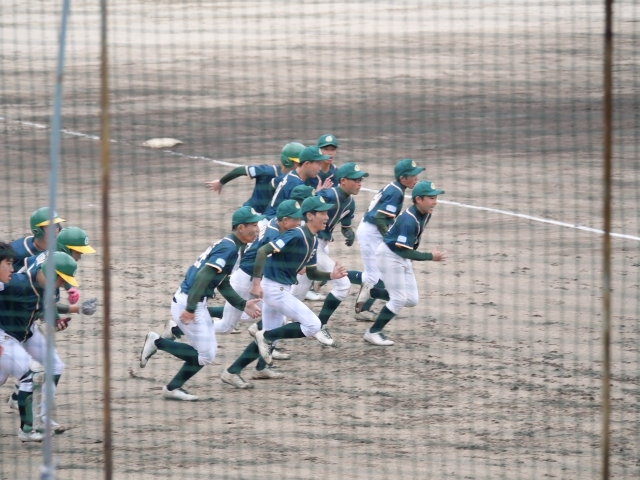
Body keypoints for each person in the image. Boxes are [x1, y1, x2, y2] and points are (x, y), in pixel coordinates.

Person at [139, 206, 263, 401]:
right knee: (205, 355)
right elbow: (203, 275)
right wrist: (190, 308)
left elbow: (221, 283)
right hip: (189, 301)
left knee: (208, 353)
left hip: (195, 301)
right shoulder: (229, 248)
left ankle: (172, 386)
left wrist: (243, 304)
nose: (257, 229)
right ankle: (158, 344)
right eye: (253, 225)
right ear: (241, 227)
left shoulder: (234, 247)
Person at [249, 196, 347, 367]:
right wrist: (256, 283)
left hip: (280, 289)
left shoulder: (313, 239)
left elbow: (312, 272)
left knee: (272, 339)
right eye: (323, 213)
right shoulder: (296, 234)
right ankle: (265, 336)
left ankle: (259, 369)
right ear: (309, 216)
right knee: (313, 325)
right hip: (274, 290)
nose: (327, 217)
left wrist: (332, 276)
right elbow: (263, 251)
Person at [218, 200, 304, 388]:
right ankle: (179, 327)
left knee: (269, 323)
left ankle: (259, 367)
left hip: (256, 278)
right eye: (297, 219)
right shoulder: (274, 233)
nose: (300, 222)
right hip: (247, 279)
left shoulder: (277, 226)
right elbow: (262, 256)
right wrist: (257, 283)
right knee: (227, 325)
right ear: (285, 219)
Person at [0, 251, 80, 439]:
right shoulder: (17, 283)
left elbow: (45, 307)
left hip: (26, 332)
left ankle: (41, 418)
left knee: (55, 365)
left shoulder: (48, 284)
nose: (62, 284)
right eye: (61, 279)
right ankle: (27, 430)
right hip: (5, 334)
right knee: (30, 375)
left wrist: (56, 321)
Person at [290, 162, 369, 346]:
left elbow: (345, 224)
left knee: (296, 296)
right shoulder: (327, 195)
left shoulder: (350, 203)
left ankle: (264, 329)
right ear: (343, 181)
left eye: (361, 180)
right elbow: (304, 208)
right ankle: (320, 325)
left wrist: (348, 232)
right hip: (310, 243)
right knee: (343, 284)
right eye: (355, 180)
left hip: (321, 244)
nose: (359, 183)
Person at [362, 181, 448, 346]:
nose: (435, 201)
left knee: (411, 300)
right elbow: (404, 251)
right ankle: (373, 332)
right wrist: (430, 256)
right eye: (431, 198)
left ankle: (371, 292)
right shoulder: (409, 220)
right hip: (389, 256)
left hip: (400, 255)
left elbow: (408, 246)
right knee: (399, 299)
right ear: (418, 200)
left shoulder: (426, 213)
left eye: (435, 197)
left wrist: (412, 254)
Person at [354, 158, 425, 320]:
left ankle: (365, 306)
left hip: (373, 231)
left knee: (379, 274)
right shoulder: (396, 192)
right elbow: (379, 218)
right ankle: (330, 276)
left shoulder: (396, 188)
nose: (417, 178)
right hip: (371, 232)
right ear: (402, 178)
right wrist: (390, 240)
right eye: (413, 175)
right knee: (374, 276)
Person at [205, 142, 305, 214]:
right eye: (299, 163)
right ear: (288, 161)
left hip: (269, 216)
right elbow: (240, 170)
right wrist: (221, 182)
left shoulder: (298, 178)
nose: (302, 165)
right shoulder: (267, 171)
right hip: (251, 213)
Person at [10, 207, 65, 271]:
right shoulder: (15, 251)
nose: (54, 231)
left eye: (56, 226)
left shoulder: (61, 249)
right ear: (37, 230)